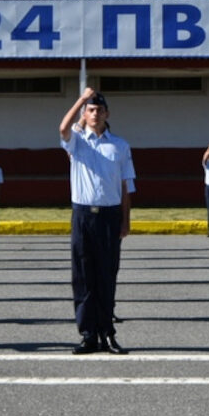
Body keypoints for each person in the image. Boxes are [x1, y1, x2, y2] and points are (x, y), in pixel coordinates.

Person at [59, 88, 135, 355]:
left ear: (107, 114)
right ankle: (88, 334)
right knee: (83, 277)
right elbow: (63, 128)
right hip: (83, 216)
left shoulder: (120, 146)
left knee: (106, 276)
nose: (95, 113)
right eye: (90, 110)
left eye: (99, 110)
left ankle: (107, 333)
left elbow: (126, 187)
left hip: (110, 216)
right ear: (85, 113)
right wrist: (81, 99)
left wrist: (125, 220)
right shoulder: (77, 142)